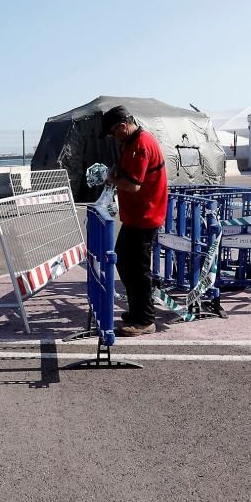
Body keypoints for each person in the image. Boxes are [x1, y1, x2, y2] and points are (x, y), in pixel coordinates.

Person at [101, 105, 169, 336]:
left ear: (123, 126)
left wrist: (112, 179)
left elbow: (133, 185)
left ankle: (145, 320)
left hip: (145, 217)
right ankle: (137, 312)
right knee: (125, 263)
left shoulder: (139, 145)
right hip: (137, 217)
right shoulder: (132, 141)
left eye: (113, 132)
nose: (113, 137)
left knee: (138, 269)